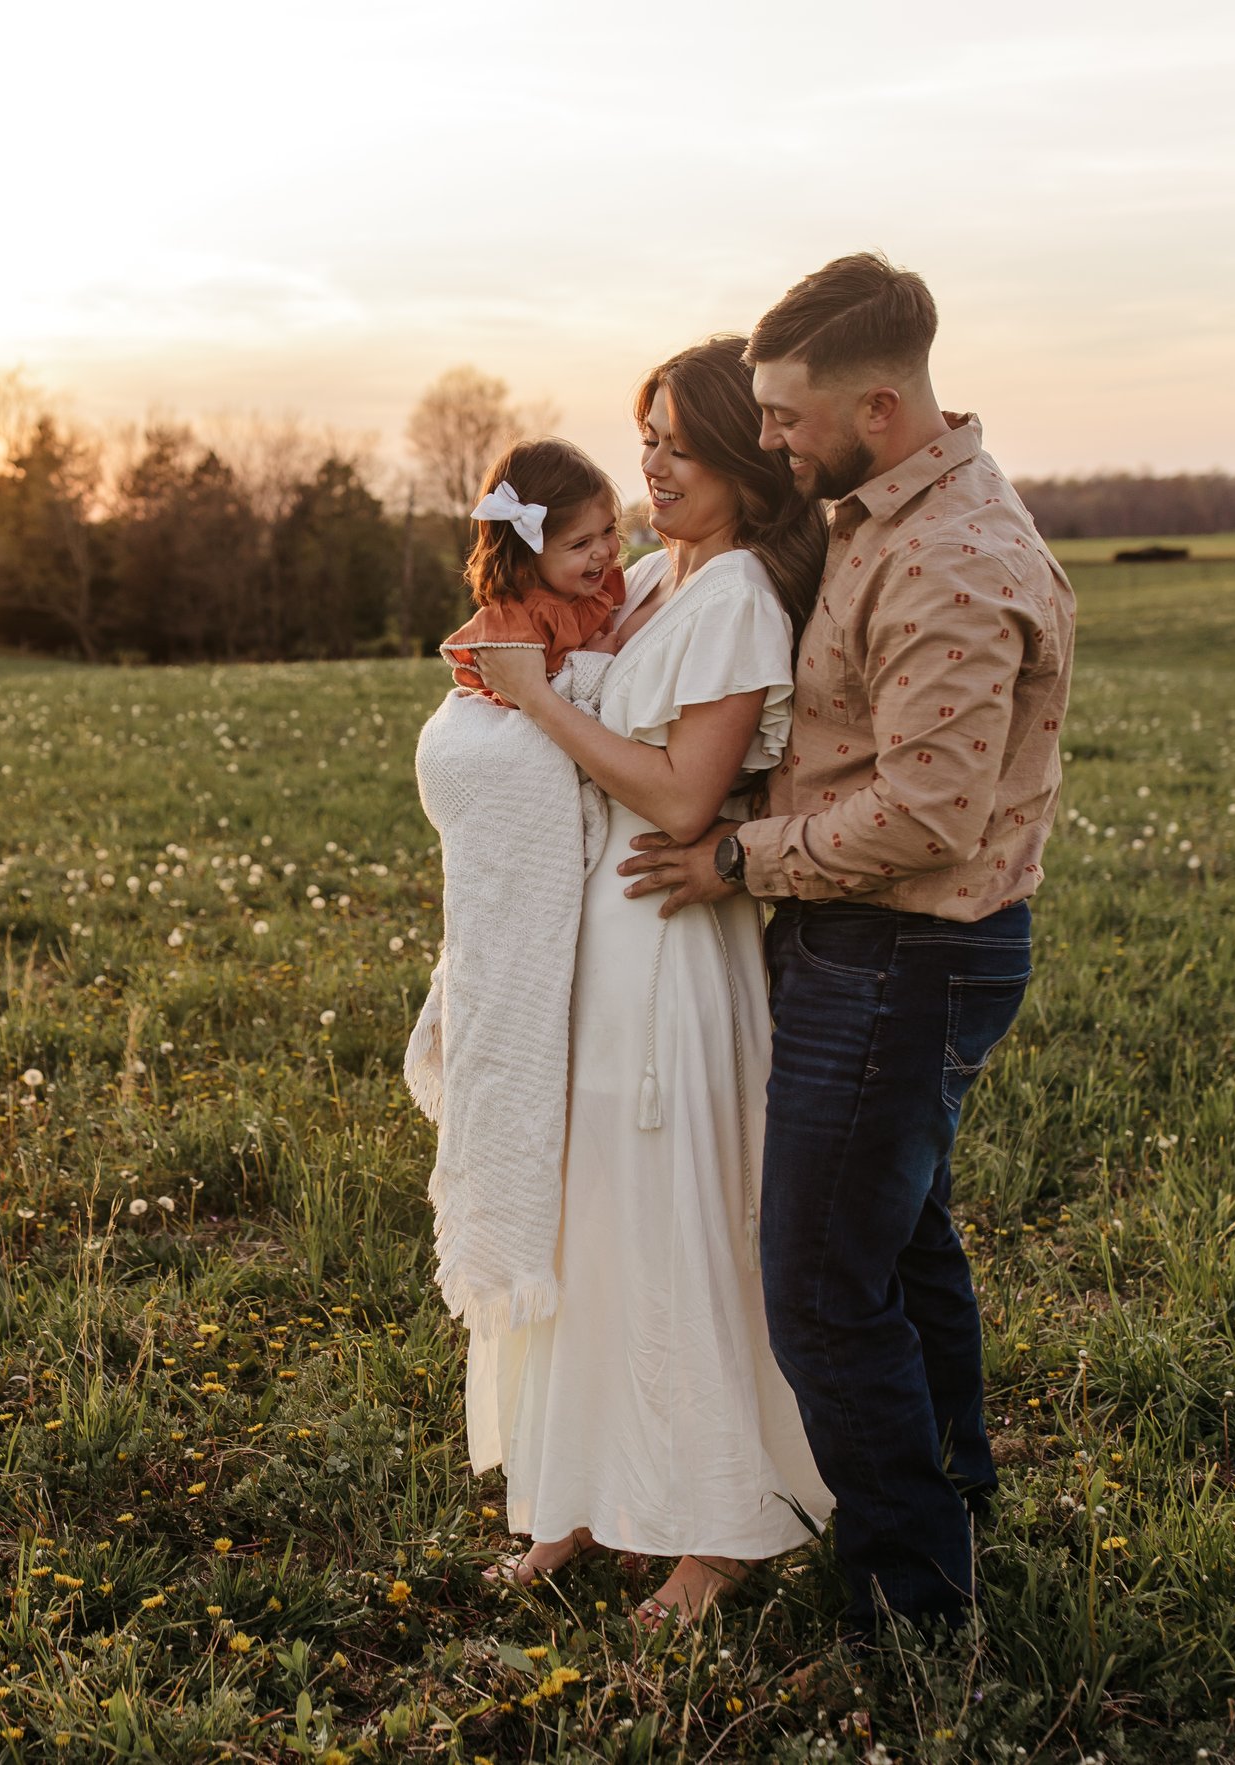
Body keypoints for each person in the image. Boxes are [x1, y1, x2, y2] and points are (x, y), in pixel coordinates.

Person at [619, 254, 1076, 1635]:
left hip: (901, 951)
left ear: (877, 406)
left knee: (819, 1286)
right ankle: (957, 1502)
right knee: (898, 1246)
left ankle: (914, 1601)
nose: (766, 440)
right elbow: (858, 752)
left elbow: (926, 816)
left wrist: (735, 854)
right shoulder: (886, 513)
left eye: (782, 416)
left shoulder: (949, 558)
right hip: (876, 942)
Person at [466, 335, 834, 1623]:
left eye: (679, 443)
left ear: (740, 454)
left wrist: (540, 702)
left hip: (674, 950)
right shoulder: (659, 578)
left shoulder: (735, 595)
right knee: (595, 1226)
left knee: (677, 1227)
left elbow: (683, 790)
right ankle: (573, 1495)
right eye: (649, 439)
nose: (654, 464)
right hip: (605, 945)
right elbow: (553, 640)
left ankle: (715, 1526)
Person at [439, 438, 629, 705]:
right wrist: (593, 661)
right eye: (580, 544)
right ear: (527, 557)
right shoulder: (522, 621)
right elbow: (527, 701)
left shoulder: (600, 587)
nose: (603, 551)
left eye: (608, 530)